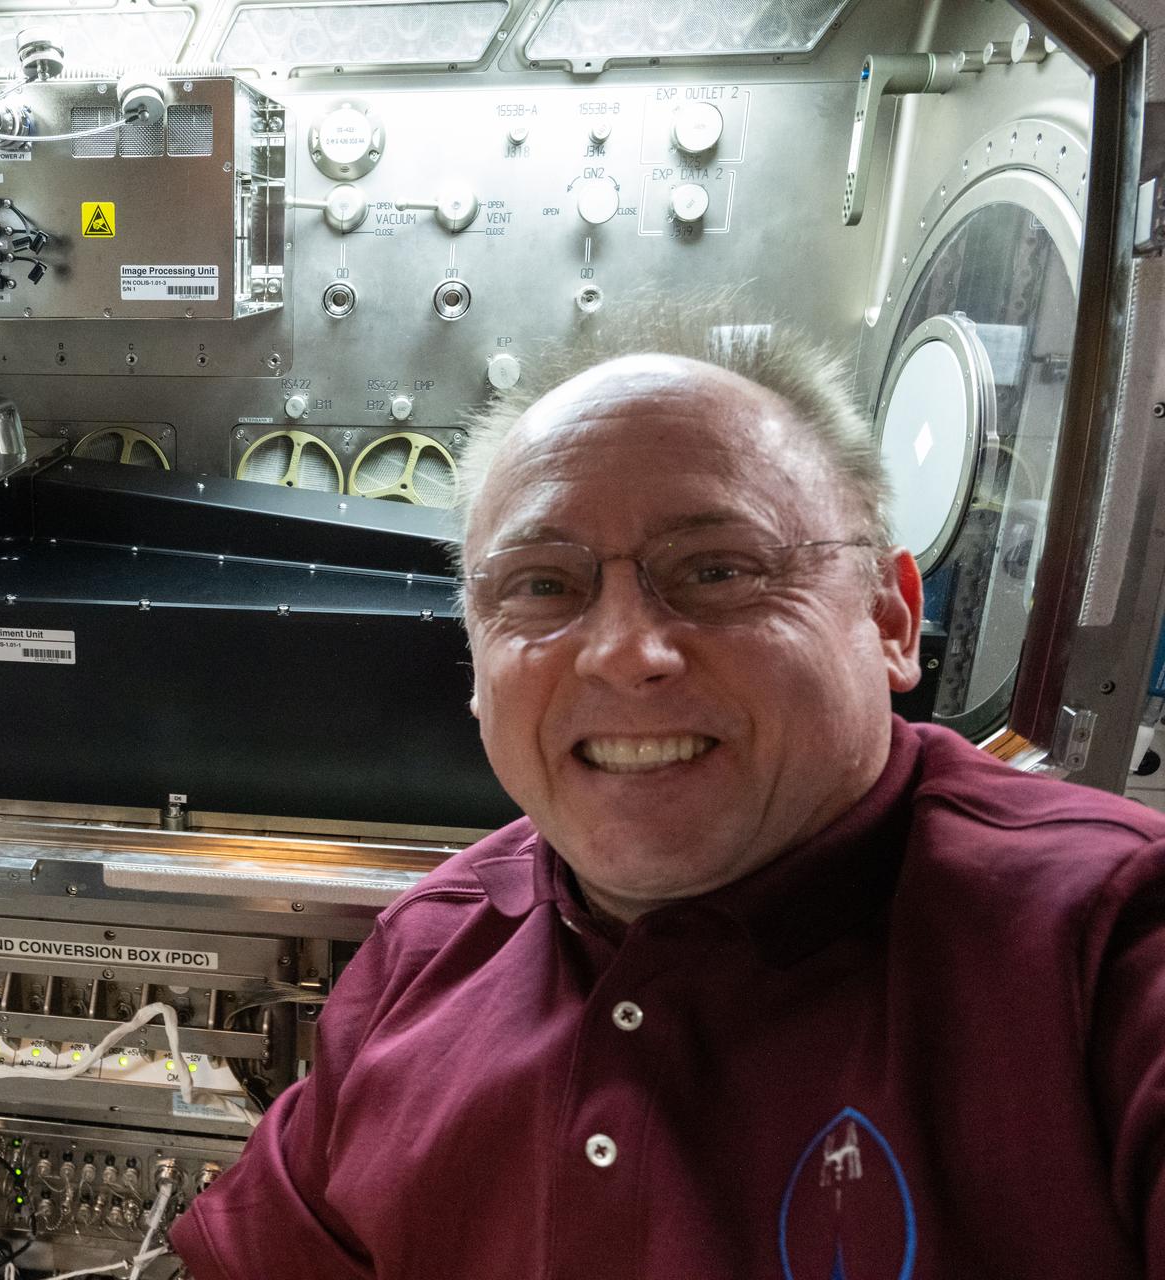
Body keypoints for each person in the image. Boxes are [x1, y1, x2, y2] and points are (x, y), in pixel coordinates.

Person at [169, 312, 1165, 1278]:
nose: (624, 653)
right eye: (543, 586)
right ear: (475, 666)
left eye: (718, 569)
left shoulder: (1108, 944)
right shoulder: (425, 955)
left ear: (891, 617)